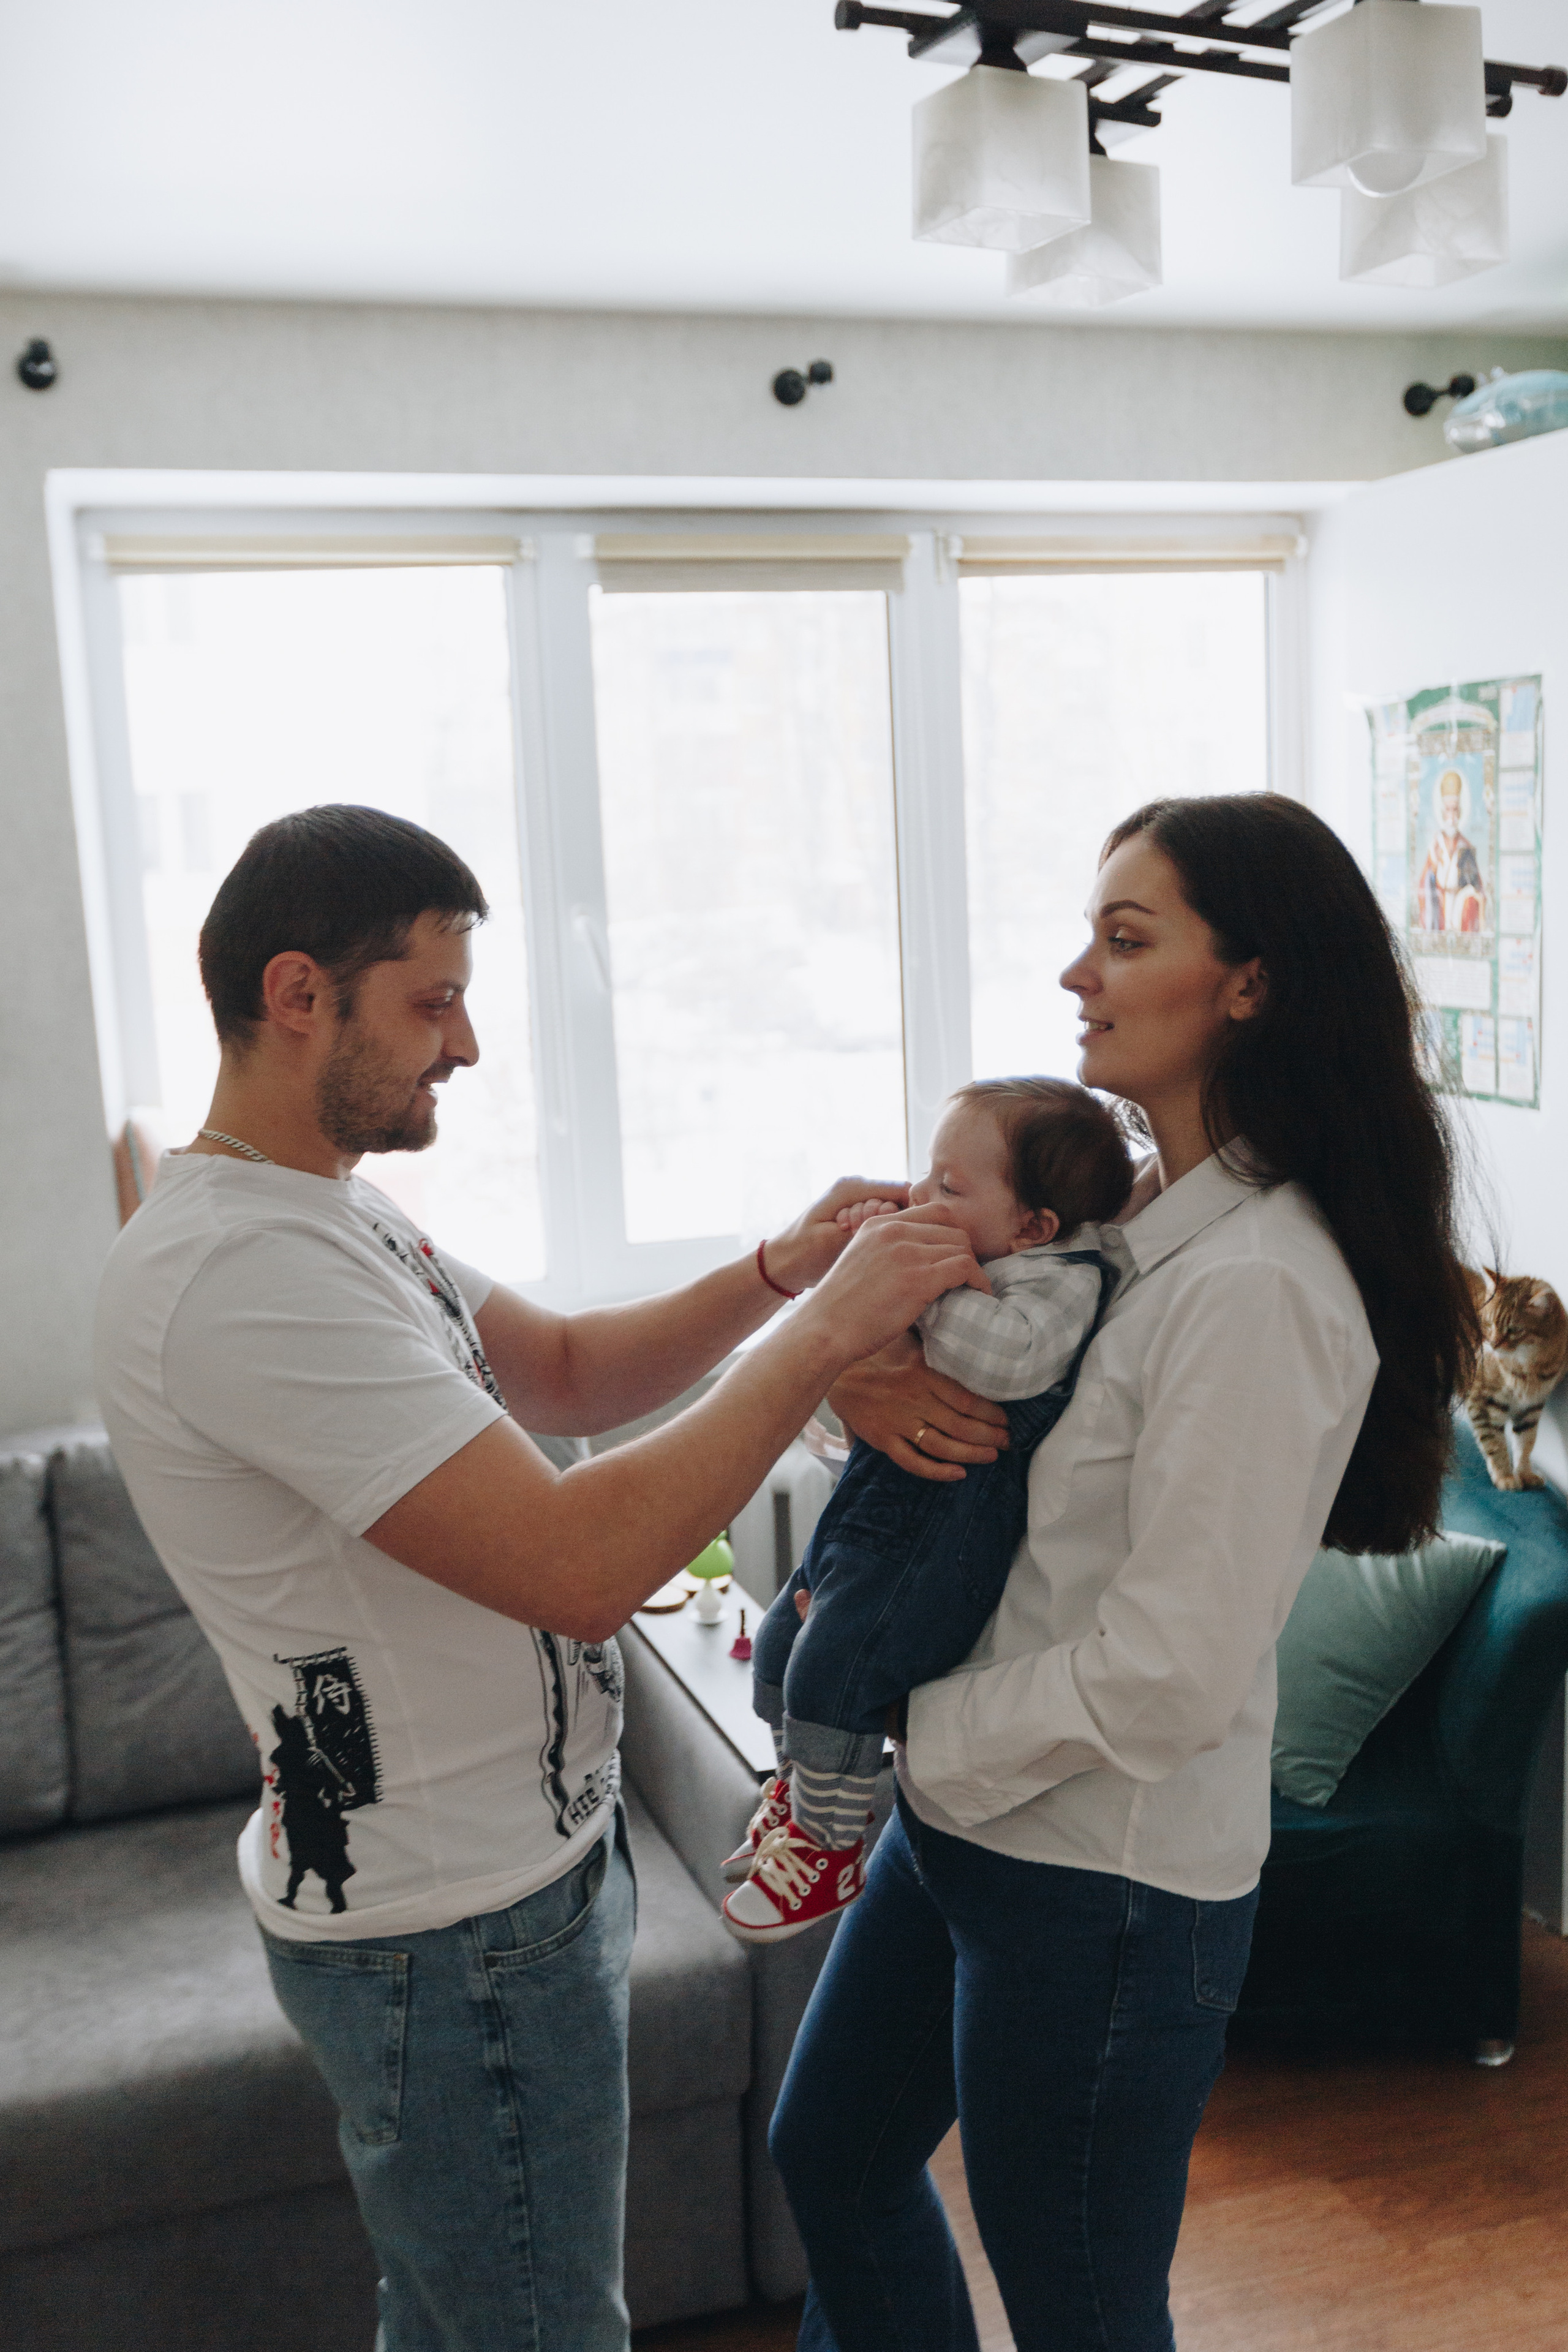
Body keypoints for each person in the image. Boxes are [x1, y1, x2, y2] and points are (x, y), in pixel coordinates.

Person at [93, 803, 987, 2352]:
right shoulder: (239, 1274)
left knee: (455, 2318)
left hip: (498, 1891)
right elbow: (581, 1566)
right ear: (300, 993)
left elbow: (564, 1372)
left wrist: (776, 1269)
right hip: (450, 1935)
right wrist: (828, 1335)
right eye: (431, 1002)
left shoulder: (326, 1214)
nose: (469, 1045)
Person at [767, 793, 1478, 2352]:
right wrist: (850, 1377)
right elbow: (993, 1464)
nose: (1075, 973)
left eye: (1124, 937)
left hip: (1100, 1883)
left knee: (1076, 2298)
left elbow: (1166, 1673)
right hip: (965, 1827)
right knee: (824, 2154)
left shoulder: (1259, 1287)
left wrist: (915, 1736)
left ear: (1250, 983)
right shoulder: (1130, 1228)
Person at [721, 1078, 1132, 1945]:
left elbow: (1008, 1360)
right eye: (927, 1176)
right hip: (872, 1504)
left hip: (939, 1529)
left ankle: (830, 1846)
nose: (920, 1198)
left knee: (836, 1665)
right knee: (781, 1647)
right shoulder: (990, 1254)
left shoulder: (1060, 1281)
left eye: (950, 1187)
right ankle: (798, 1798)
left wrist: (920, 1291)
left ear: (1035, 1227)